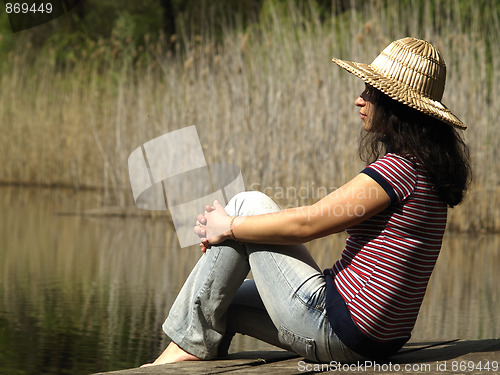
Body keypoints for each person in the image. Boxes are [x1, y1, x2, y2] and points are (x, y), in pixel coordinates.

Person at [142, 37, 471, 366]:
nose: (359, 100)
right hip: (378, 337)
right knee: (218, 298)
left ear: (395, 105)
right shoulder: (424, 171)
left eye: (370, 92)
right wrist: (230, 233)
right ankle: (185, 349)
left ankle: (177, 354)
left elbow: (308, 223)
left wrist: (227, 227)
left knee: (245, 204)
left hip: (339, 329)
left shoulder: (398, 170)